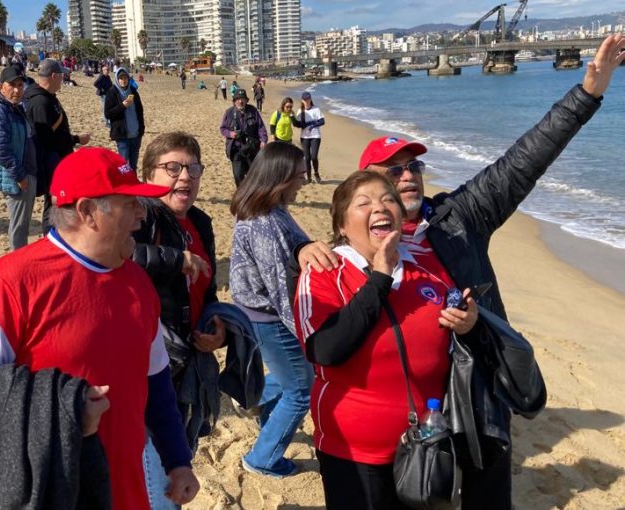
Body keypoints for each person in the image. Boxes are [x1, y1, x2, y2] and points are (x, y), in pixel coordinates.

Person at [295, 33, 625, 510]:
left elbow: (523, 161)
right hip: (375, 428)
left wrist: (588, 93)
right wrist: (303, 249)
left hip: (470, 402)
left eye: (413, 168)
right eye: (391, 172)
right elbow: (324, 318)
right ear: (360, 194)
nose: (407, 176)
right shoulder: (342, 254)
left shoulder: (458, 219)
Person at [0, 147, 201, 509]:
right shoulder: (10, 283)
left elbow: (156, 382)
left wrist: (177, 461)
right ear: (88, 211)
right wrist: (62, 412)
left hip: (129, 482)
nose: (141, 214)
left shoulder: (137, 281)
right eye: (130, 203)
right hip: (51, 486)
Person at [294, 170, 478, 508]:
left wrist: (466, 323)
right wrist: (379, 276)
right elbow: (324, 350)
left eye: (388, 199)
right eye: (363, 203)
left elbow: (453, 338)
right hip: (355, 448)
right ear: (342, 227)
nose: (380, 207)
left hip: (426, 440)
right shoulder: (324, 273)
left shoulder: (426, 267)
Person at [131, 132, 225, 508]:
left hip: (189, 357)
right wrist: (174, 258)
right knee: (154, 467)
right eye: (172, 168)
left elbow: (208, 287)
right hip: (150, 359)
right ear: (148, 174)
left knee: (180, 454)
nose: (184, 177)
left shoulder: (200, 222)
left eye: (192, 168)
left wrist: (217, 327)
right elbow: (121, 254)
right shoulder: (142, 213)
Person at [229, 142, 312, 478]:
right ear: (280, 178)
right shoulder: (264, 223)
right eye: (299, 177)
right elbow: (279, 288)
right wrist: (308, 332)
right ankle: (262, 459)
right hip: (271, 318)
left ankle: (256, 400)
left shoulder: (270, 207)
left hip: (263, 314)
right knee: (300, 392)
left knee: (288, 376)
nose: (303, 183)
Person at [25, 58, 91, 235]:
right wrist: (76, 138)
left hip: (58, 159)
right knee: (53, 202)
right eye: (62, 75)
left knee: (59, 201)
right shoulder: (40, 102)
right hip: (50, 162)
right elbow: (46, 138)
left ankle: (55, 234)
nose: (63, 78)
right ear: (54, 76)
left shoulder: (48, 98)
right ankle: (50, 237)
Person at [0, 66, 37, 250]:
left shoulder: (16, 108)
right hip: (17, 177)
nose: (17, 90)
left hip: (26, 173)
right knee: (19, 228)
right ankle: (18, 266)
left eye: (20, 85)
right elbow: (1, 149)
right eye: (12, 85)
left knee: (23, 225)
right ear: (0, 87)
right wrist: (20, 175)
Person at [219, 88, 267, 186]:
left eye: (243, 99)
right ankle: (242, 196)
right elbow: (223, 129)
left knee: (254, 176)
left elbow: (261, 127)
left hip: (252, 148)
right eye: (238, 99)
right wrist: (231, 134)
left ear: (246, 100)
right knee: (238, 175)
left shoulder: (253, 111)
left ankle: (252, 194)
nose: (241, 101)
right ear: (234, 101)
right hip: (236, 149)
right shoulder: (229, 112)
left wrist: (264, 140)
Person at [105, 67, 144, 171]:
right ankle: (124, 187)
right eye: (121, 78)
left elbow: (140, 112)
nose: (123, 80)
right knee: (123, 166)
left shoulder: (133, 92)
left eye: (125, 77)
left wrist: (141, 130)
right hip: (122, 136)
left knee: (133, 166)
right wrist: (122, 106)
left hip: (136, 135)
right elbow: (108, 114)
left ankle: (134, 187)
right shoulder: (112, 92)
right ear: (117, 79)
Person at [296, 91, 324, 183]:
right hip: (304, 137)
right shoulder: (300, 111)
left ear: (310, 99)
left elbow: (322, 121)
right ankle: (308, 177)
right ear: (302, 100)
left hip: (315, 136)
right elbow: (298, 124)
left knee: (314, 157)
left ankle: (316, 173)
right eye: (305, 99)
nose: (307, 101)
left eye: (308, 99)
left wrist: (312, 126)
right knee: (307, 158)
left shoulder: (316, 109)